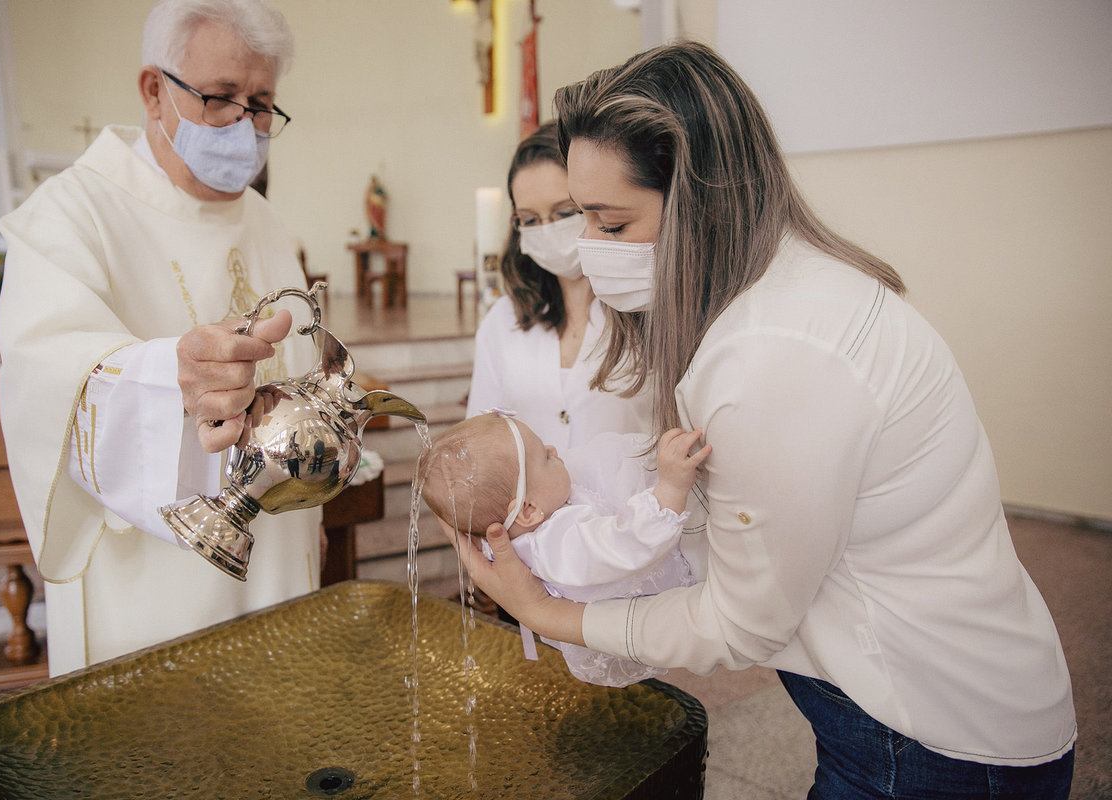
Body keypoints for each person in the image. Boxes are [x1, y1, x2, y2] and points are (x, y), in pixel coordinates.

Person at [447, 41, 1076, 798]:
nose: (587, 249)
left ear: (700, 204)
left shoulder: (772, 354)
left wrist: (546, 611)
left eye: (610, 225)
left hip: (929, 735)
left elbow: (740, 623)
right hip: (907, 701)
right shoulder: (782, 287)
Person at [0, 0, 319, 676]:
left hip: (276, 562)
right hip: (148, 583)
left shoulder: (262, 220)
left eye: (262, 103)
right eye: (222, 97)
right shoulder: (68, 216)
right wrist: (167, 376)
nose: (246, 124)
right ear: (153, 90)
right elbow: (48, 384)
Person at [421, 411, 709, 687]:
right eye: (545, 458)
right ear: (528, 510)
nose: (554, 449)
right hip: (672, 589)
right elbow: (626, 543)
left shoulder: (531, 523)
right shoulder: (556, 545)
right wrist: (670, 487)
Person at [465, 121, 650, 459]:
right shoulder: (504, 319)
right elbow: (481, 440)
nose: (548, 231)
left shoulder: (646, 306)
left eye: (565, 213)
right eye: (531, 220)